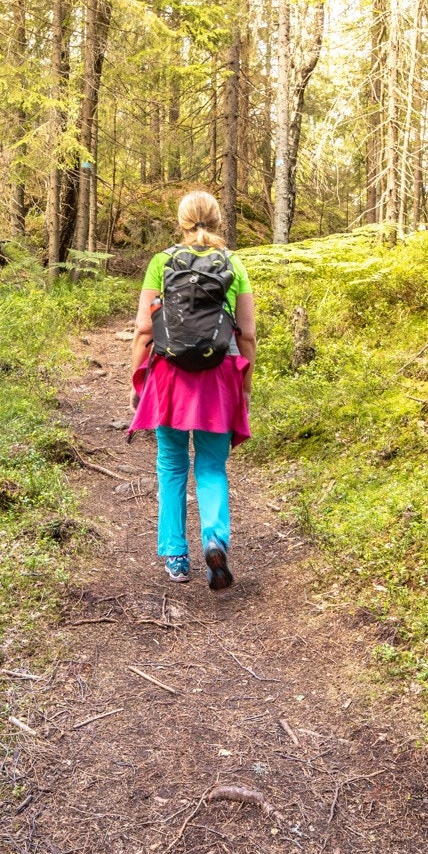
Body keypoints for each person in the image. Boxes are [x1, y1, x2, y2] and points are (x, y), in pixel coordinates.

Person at [127, 191, 256, 590]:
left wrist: (137, 379)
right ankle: (214, 539)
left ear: (180, 222)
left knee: (171, 464)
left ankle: (176, 556)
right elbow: (247, 333)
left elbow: (145, 329)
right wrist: (246, 386)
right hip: (219, 375)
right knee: (212, 466)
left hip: (169, 374)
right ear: (218, 221)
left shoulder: (162, 262)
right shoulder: (233, 263)